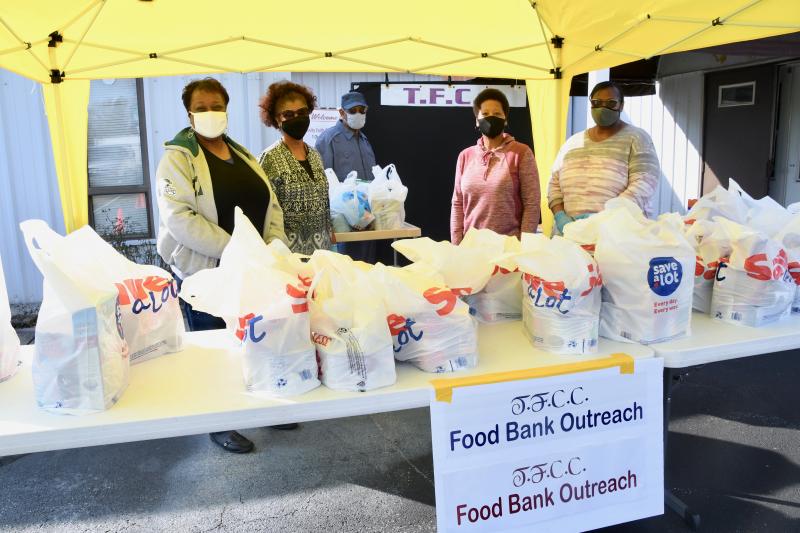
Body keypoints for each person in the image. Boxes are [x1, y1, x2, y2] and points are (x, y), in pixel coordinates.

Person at [155, 77, 286, 454]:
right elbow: (178, 217)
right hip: (209, 269)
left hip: (252, 268)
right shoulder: (177, 157)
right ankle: (219, 421)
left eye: (217, 105)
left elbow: (270, 204)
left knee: (255, 342)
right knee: (215, 348)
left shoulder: (240, 153)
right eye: (201, 107)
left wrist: (271, 247)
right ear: (189, 113)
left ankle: (268, 406)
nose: (210, 113)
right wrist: (236, 248)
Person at [548, 81, 659, 235]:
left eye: (611, 103)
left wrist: (605, 217)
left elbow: (645, 183)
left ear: (621, 105)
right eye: (597, 102)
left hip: (616, 237)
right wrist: (560, 216)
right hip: (569, 235)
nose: (603, 108)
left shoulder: (637, 138)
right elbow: (554, 183)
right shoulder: (572, 142)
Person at [450, 88, 540, 244]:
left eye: (497, 114)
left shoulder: (521, 153)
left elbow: (532, 204)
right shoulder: (465, 156)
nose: (491, 117)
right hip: (470, 248)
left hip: (507, 250)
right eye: (485, 114)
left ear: (505, 119)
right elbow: (458, 203)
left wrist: (523, 247)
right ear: (477, 120)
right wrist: (457, 245)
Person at [258, 81, 332, 255]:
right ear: (277, 119)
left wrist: (330, 228)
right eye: (288, 114)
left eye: (302, 112)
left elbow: (324, 200)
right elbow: (264, 211)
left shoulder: (314, 155)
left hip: (321, 253)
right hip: (288, 256)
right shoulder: (269, 159)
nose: (297, 118)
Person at [315, 90, 377, 261]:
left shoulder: (365, 141)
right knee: (345, 272)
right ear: (341, 113)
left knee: (367, 270)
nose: (358, 114)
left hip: (367, 220)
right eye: (353, 110)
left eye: (362, 110)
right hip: (344, 224)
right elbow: (320, 183)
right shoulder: (328, 139)